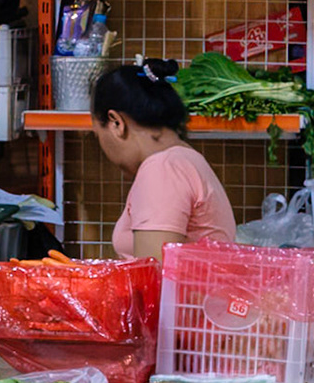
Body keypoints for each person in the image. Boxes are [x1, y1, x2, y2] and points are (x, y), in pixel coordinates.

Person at [91, 59, 236, 260]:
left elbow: (154, 275)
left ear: (116, 123)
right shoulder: (183, 160)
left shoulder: (162, 170)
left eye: (98, 134)